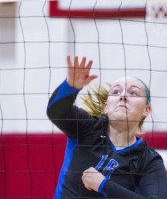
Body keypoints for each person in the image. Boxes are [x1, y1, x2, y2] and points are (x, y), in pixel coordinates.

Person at [47, 56, 167, 199]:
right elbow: (56, 112)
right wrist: (70, 86)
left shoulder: (148, 160)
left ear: (146, 110)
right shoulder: (87, 127)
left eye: (133, 93)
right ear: (106, 107)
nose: (123, 96)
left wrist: (104, 184)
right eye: (116, 92)